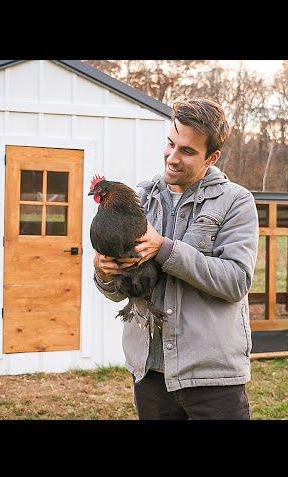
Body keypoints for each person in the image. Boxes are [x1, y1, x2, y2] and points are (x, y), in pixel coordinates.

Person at [93, 98, 259, 420]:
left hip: (211, 377)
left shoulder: (235, 202)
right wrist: (104, 272)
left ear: (212, 157)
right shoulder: (139, 198)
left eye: (187, 151)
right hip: (151, 372)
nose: (173, 157)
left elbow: (236, 281)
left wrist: (165, 249)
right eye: (171, 143)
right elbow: (117, 292)